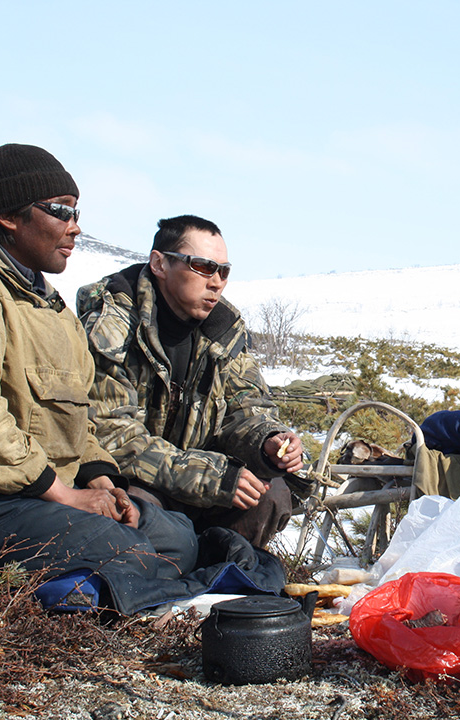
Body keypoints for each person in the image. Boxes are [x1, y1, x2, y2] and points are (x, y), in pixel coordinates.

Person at [0, 144, 280, 615]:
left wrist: (105, 485)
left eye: (76, 212)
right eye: (61, 211)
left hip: (44, 499)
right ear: (9, 216)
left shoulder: (48, 305)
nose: (76, 226)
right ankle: (75, 597)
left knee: (176, 540)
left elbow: (81, 421)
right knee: (132, 552)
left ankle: (111, 588)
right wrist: (64, 493)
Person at [76, 215, 303, 549]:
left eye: (224, 271)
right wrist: (212, 477)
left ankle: (221, 587)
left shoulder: (224, 329)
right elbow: (113, 436)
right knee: (133, 503)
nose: (216, 282)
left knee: (270, 493)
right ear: (159, 264)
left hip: (201, 485)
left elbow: (248, 405)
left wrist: (268, 441)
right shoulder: (113, 322)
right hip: (139, 480)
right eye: (203, 267)